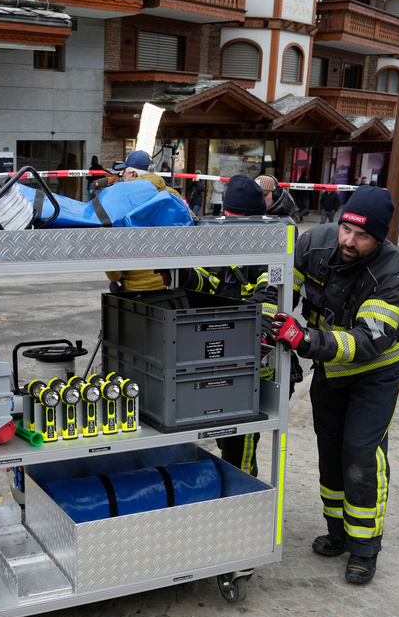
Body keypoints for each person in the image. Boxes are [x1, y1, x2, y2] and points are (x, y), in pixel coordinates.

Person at [272, 185, 399, 585]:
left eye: (362, 236)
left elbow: (369, 340)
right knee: (330, 449)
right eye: (346, 229)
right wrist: (270, 320)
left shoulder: (394, 273)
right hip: (330, 368)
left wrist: (306, 341)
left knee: (360, 454)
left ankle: (366, 547)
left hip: (376, 374)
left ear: (380, 237)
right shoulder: (314, 242)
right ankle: (338, 533)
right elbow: (280, 289)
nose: (349, 241)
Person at [178, 175, 279, 476]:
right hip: (221, 358)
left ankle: (245, 495)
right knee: (225, 435)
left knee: (241, 443)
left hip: (253, 366)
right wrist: (183, 276)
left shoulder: (269, 249)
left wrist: (244, 327)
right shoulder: (221, 242)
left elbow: (270, 296)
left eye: (238, 221)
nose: (231, 226)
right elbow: (208, 284)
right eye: (228, 218)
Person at [105, 150, 174, 292]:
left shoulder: (122, 201)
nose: (122, 175)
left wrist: (115, 279)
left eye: (124, 171)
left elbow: (111, 247)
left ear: (133, 174)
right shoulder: (172, 195)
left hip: (135, 288)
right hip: (170, 284)